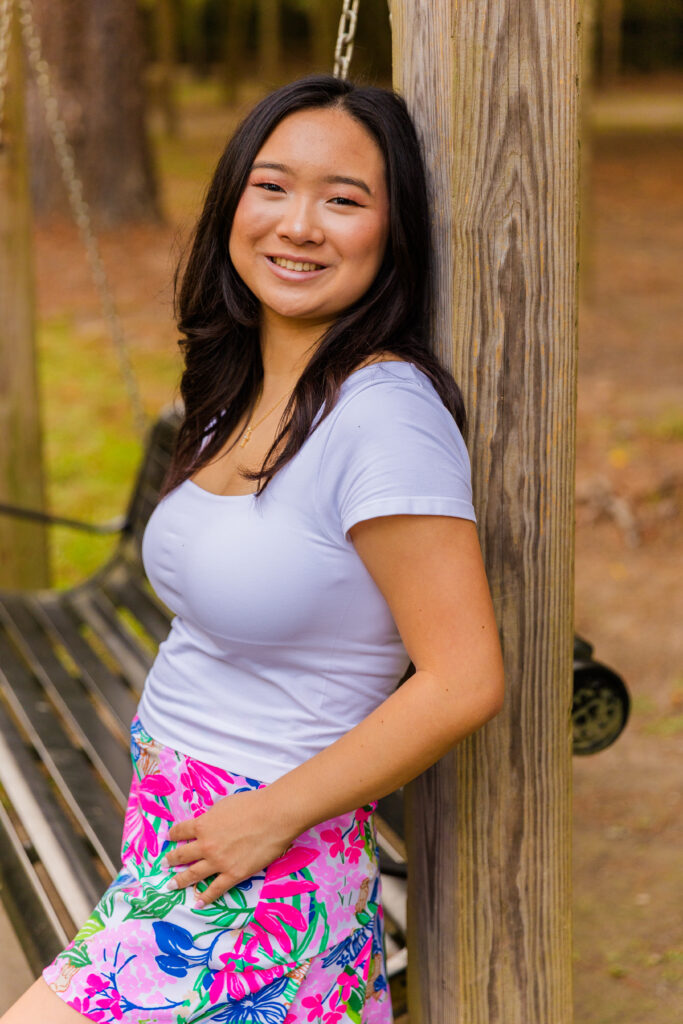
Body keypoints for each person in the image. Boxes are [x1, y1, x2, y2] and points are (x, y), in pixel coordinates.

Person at [2, 73, 504, 1024]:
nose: (298, 224)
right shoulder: (247, 386)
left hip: (268, 862)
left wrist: (267, 819)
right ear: (233, 199)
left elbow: (464, 676)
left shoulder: (383, 415)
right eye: (271, 186)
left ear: (391, 236)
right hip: (182, 832)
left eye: (343, 199)